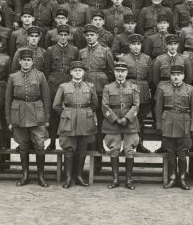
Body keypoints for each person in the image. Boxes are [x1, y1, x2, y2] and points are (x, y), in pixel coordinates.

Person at [6, 49, 52, 187]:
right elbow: (8, 100)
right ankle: (25, 175)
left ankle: (40, 176)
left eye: (29, 60)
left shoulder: (40, 76)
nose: (26, 63)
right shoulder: (13, 77)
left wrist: (47, 118)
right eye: (23, 60)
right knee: (23, 145)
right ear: (19, 61)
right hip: (18, 113)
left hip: (36, 113)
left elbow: (46, 97)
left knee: (39, 145)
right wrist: (9, 120)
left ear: (33, 62)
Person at [52, 61, 99, 188]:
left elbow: (95, 104)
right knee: (69, 149)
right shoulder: (64, 87)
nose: (77, 72)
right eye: (75, 70)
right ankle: (68, 177)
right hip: (68, 120)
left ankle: (79, 176)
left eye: (80, 70)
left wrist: (86, 113)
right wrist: (67, 114)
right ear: (71, 72)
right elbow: (56, 105)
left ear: (84, 73)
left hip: (85, 120)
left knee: (82, 150)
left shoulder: (90, 86)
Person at [155, 65, 193, 190]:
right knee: (170, 153)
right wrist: (158, 124)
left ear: (183, 76)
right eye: (173, 74)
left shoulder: (190, 89)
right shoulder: (163, 88)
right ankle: (172, 177)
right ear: (170, 76)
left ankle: (183, 178)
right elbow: (158, 108)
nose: (176, 77)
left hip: (184, 122)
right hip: (168, 121)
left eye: (178, 75)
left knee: (183, 153)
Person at [102, 61, 141, 189]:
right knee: (114, 150)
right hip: (113, 124)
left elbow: (136, 105)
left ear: (126, 73)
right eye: (118, 71)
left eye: (122, 71)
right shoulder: (108, 87)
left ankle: (129, 180)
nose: (120, 74)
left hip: (130, 124)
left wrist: (127, 118)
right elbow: (105, 106)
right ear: (114, 72)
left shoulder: (133, 87)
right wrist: (115, 119)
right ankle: (115, 179)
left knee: (129, 150)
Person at [43, 24, 80, 150]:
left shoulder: (74, 50)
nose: (63, 37)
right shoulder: (50, 50)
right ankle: (52, 141)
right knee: (54, 113)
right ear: (57, 36)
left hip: (69, 84)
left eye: (66, 35)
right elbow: (46, 70)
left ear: (69, 36)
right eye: (61, 35)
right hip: (54, 84)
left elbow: (77, 68)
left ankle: (69, 143)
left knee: (69, 112)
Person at [80, 24, 115, 153]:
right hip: (85, 90)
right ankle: (88, 144)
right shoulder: (81, 52)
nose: (89, 37)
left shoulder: (105, 51)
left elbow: (111, 71)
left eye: (92, 35)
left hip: (100, 89)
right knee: (86, 117)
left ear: (97, 36)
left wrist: (104, 84)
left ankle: (99, 144)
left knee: (100, 118)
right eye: (87, 35)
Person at [121, 33, 153, 153]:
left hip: (143, 92)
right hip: (128, 91)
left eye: (138, 44)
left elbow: (150, 77)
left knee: (140, 120)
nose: (136, 47)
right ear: (129, 46)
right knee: (128, 118)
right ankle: (126, 145)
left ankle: (140, 144)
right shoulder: (124, 59)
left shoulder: (147, 58)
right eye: (133, 44)